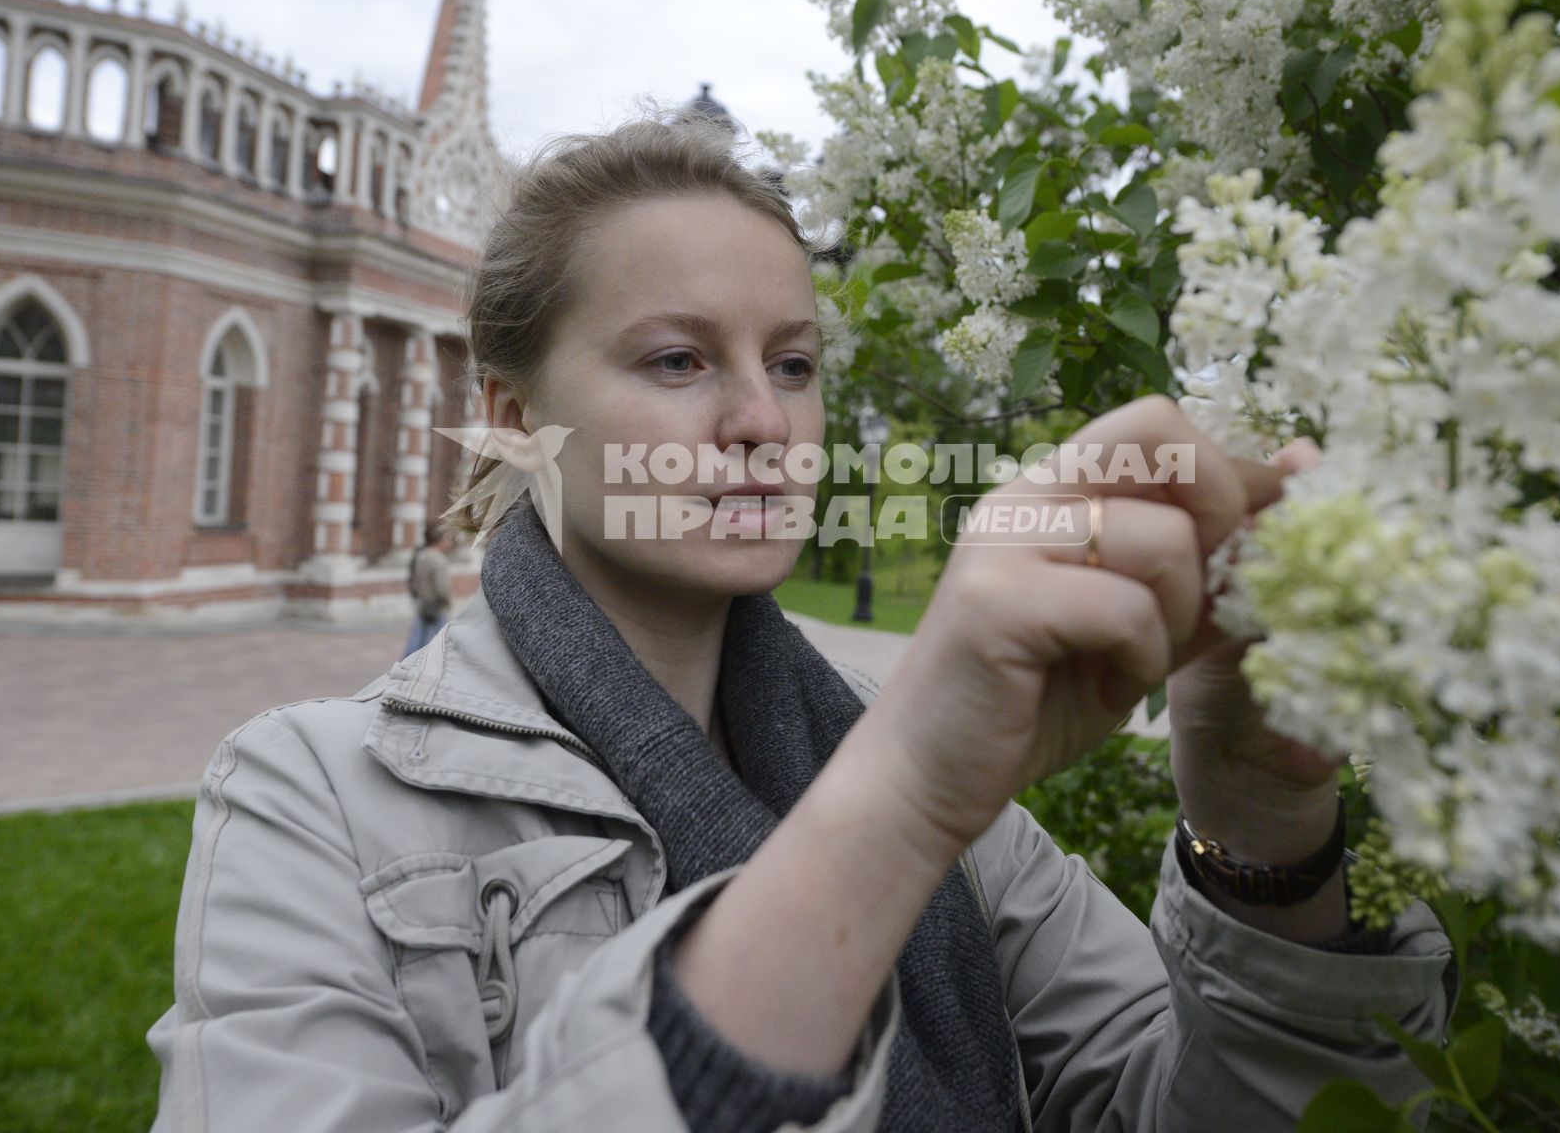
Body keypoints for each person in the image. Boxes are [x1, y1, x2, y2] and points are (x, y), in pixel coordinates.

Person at [144, 111, 1455, 1132]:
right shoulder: (309, 799)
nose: (764, 423)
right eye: (677, 360)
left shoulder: (956, 807)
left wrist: (1261, 826)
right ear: (508, 419)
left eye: (793, 364)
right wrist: (885, 811)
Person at [404, 523, 455, 656]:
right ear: (439, 540)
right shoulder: (438, 560)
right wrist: (447, 601)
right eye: (447, 539)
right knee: (445, 639)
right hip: (435, 605)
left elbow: (414, 580)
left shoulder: (422, 556)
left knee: (418, 638)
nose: (449, 543)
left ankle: (408, 661)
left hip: (423, 603)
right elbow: (442, 587)